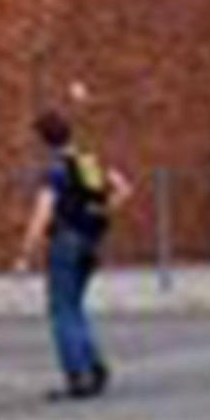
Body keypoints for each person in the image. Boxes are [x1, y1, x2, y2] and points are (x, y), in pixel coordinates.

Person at [20, 107, 128, 402]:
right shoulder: (86, 163)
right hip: (90, 240)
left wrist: (27, 251)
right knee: (75, 306)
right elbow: (121, 188)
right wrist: (103, 210)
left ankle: (77, 375)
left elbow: (43, 213)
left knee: (61, 310)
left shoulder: (55, 171)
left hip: (65, 241)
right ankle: (94, 365)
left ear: (43, 140)